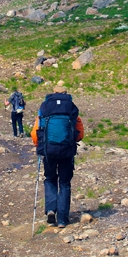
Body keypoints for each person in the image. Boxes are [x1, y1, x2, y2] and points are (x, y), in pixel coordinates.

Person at [30, 84, 84, 228]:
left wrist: (39, 146)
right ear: (66, 93)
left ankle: (50, 210)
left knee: (50, 178)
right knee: (65, 183)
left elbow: (35, 132)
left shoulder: (45, 107)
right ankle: (62, 219)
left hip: (49, 151)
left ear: (52, 93)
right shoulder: (71, 107)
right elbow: (80, 133)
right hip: (67, 151)